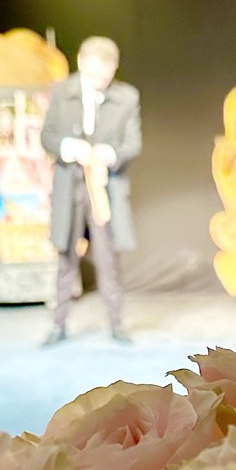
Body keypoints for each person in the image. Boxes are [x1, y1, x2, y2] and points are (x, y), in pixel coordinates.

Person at [40, 36, 142, 344]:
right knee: (65, 256)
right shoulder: (62, 92)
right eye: (94, 76)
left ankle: (117, 324)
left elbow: (133, 143)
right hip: (69, 187)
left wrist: (107, 154)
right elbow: (47, 137)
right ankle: (58, 325)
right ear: (81, 63)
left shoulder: (126, 97)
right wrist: (71, 148)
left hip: (104, 189)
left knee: (108, 258)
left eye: (105, 77)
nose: (100, 83)